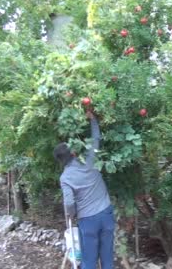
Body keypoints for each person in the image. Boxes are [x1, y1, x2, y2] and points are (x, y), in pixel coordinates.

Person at [53, 111, 115, 269]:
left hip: (88, 221)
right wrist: (93, 119)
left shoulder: (65, 178)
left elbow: (69, 202)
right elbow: (96, 139)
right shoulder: (89, 159)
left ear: (61, 161)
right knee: (107, 258)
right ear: (73, 153)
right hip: (106, 213)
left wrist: (70, 215)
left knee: (89, 261)